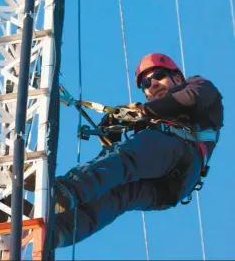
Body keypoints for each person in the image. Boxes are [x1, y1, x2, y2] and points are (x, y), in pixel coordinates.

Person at [51, 53, 224, 248]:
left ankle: (68, 189)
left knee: (127, 157)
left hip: (180, 154)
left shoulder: (198, 85)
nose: (153, 84)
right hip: (169, 188)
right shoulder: (152, 120)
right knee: (117, 196)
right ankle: (59, 232)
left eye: (158, 76)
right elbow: (115, 155)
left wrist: (141, 112)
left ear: (177, 78)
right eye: (146, 84)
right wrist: (112, 131)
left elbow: (190, 99)